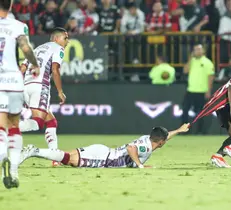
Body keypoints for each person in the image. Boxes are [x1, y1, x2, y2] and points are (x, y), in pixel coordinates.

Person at [20, 124, 190, 168]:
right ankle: (33, 151)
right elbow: (131, 149)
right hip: (104, 159)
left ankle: (36, 151)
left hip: (103, 151)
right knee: (69, 160)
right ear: (159, 142)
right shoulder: (146, 147)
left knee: (66, 156)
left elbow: (164, 138)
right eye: (163, 142)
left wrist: (179, 131)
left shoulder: (148, 139)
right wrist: (140, 165)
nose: (164, 143)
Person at [0, 0, 40, 189]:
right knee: (14, 125)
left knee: (1, 126)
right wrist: (35, 64)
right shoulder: (18, 26)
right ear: (11, 5)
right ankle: (14, 171)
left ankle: (1, 156)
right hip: (14, 80)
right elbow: (25, 49)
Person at [19, 27, 69, 167]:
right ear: (56, 39)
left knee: (51, 121)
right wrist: (60, 91)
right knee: (38, 123)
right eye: (65, 38)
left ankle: (54, 157)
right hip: (40, 86)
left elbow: (22, 68)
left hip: (26, 86)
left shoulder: (37, 49)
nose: (67, 41)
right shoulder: (58, 48)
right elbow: (55, 69)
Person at [182, 44, 214, 134]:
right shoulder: (191, 61)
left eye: (199, 49)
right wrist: (189, 59)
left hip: (201, 91)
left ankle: (199, 131)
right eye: (196, 49)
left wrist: (208, 90)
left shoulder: (207, 62)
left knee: (200, 113)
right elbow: (185, 70)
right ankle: (184, 130)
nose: (197, 51)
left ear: (203, 51)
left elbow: (210, 77)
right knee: (185, 110)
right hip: (191, 90)